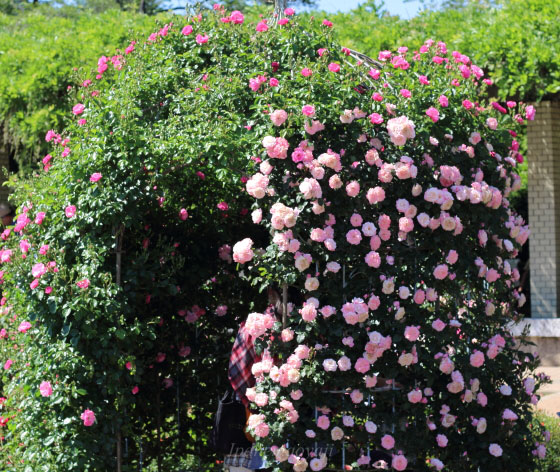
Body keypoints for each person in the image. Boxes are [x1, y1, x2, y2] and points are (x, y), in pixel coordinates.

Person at [224, 286, 303, 472]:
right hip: (302, 410)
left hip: (264, 408)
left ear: (270, 294)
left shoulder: (252, 326)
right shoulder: (306, 327)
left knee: (266, 455)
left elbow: (238, 370)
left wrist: (253, 398)